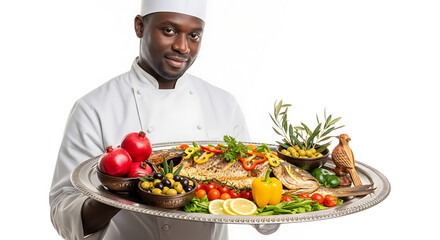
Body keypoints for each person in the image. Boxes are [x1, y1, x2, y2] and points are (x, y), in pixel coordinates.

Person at [49, 0, 280, 239]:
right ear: (139, 27)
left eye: (194, 35)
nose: (183, 47)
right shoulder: (94, 108)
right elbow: (64, 211)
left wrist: (281, 185)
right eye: (169, 31)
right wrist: (120, 190)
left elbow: (260, 205)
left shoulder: (224, 104)